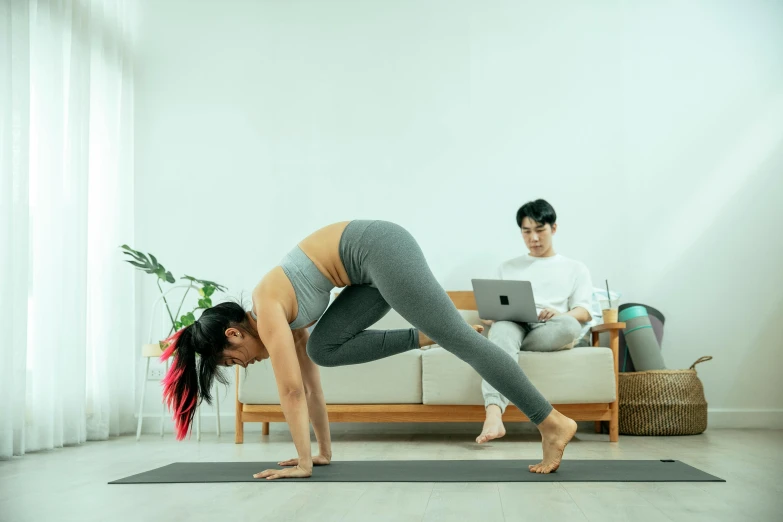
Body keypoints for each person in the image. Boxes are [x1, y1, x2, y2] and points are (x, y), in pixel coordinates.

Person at [160, 219, 577, 480]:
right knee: (324, 349)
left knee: (464, 341)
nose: (245, 364)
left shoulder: (268, 308)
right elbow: (311, 388)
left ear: (234, 334)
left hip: (381, 248)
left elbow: (289, 393)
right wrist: (320, 453)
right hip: (365, 275)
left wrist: (301, 465)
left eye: (234, 359)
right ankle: (422, 336)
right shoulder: (285, 320)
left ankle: (551, 421)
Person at [476, 200, 593, 445]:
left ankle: (507, 346)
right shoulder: (507, 267)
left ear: (554, 228)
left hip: (552, 327)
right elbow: (487, 314)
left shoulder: (575, 268)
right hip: (514, 324)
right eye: (527, 232)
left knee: (571, 327)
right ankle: (494, 412)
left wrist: (559, 314)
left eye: (540, 230)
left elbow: (583, 312)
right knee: (501, 328)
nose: (534, 238)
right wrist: (495, 316)